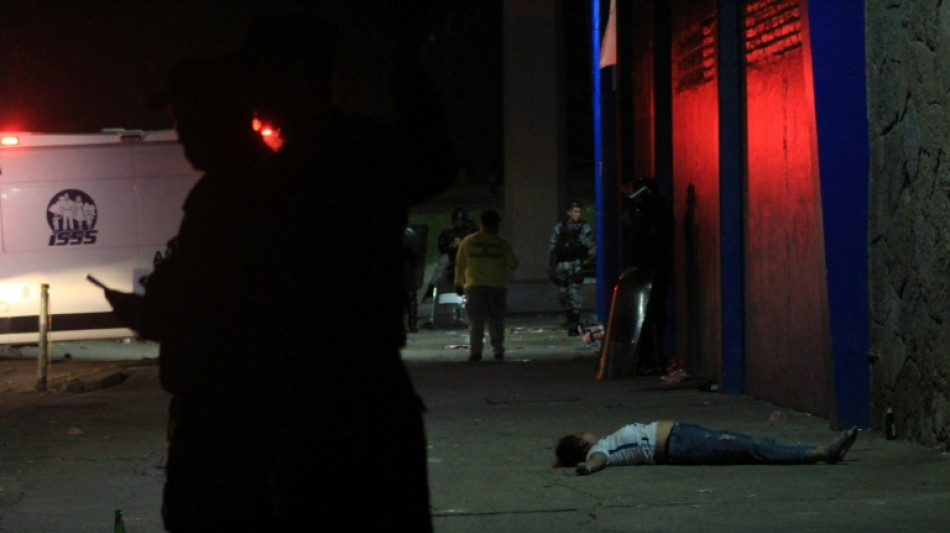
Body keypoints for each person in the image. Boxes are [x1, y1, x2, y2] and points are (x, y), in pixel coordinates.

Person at [238, 12, 457, 532]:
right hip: (360, 392)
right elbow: (435, 160)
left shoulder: (288, 172)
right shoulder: (356, 152)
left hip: (318, 401)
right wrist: (405, 64)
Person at [102, 55, 281, 532]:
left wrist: (145, 310)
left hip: (229, 417)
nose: (180, 133)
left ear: (218, 116)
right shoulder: (259, 183)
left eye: (185, 118)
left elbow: (204, 305)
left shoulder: (230, 195)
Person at [555, 422, 859, 475]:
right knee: (751, 448)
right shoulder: (602, 449)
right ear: (584, 443)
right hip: (681, 444)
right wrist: (586, 467)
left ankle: (814, 451)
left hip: (683, 435)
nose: (590, 431)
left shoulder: (607, 442)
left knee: (751, 443)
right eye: (584, 433)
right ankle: (820, 452)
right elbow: (597, 461)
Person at [622, 177, 674, 374]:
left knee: (653, 315)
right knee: (646, 316)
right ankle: (648, 359)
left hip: (654, 270)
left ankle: (654, 359)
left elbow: (653, 245)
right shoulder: (646, 215)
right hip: (647, 270)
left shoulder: (656, 216)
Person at [454, 209, 519, 361]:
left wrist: (458, 283)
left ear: (482, 224)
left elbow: (460, 263)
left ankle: (476, 352)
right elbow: (513, 264)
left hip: (474, 285)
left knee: (476, 321)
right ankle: (498, 351)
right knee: (496, 320)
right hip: (497, 286)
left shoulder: (468, 241)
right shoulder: (501, 243)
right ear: (496, 225)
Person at [548, 201, 595, 335]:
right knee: (563, 294)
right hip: (561, 265)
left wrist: (579, 239)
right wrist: (551, 266)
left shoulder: (583, 227)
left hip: (575, 264)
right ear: (569, 212)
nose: (577, 214)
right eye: (575, 212)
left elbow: (589, 244)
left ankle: (574, 324)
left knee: (575, 295)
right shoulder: (560, 227)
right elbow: (552, 247)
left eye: (579, 212)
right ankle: (570, 320)